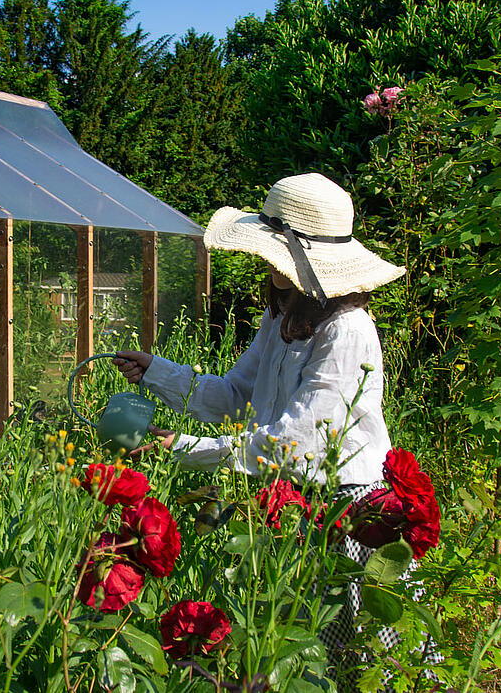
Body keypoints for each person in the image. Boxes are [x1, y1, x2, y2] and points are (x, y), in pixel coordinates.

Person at [113, 172, 410, 683]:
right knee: (306, 647)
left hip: (350, 509)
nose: (267, 266)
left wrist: (181, 447)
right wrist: (156, 371)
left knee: (367, 655)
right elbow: (234, 396)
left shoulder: (347, 331)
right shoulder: (283, 318)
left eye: (276, 255)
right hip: (296, 502)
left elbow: (299, 441)